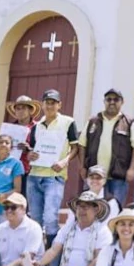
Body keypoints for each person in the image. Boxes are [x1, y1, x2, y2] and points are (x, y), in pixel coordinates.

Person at [25, 192, 109, 266]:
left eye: (86, 206)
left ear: (96, 210)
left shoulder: (102, 231)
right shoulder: (68, 227)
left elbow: (98, 259)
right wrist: (39, 263)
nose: (82, 210)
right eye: (80, 206)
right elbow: (54, 250)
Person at [26, 89, 83, 244]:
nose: (50, 106)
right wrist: (30, 155)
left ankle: (52, 262)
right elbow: (32, 150)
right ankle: (36, 260)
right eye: (47, 102)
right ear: (42, 105)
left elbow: (75, 147)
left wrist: (65, 161)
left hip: (54, 176)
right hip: (34, 176)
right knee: (35, 220)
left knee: (50, 219)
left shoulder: (68, 122)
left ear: (59, 105)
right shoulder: (36, 127)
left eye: (53, 103)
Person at [83, 89, 134, 207]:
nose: (112, 102)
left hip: (118, 176)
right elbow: (82, 144)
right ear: (104, 101)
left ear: (122, 102)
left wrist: (131, 169)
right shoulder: (93, 121)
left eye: (116, 99)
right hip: (95, 177)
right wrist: (82, 167)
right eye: (108, 99)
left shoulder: (129, 122)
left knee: (115, 209)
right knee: (93, 208)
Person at [6, 95, 41, 175]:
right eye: (18, 109)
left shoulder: (38, 128)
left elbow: (42, 149)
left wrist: (28, 149)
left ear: (30, 110)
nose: (20, 111)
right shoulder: (8, 129)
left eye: (24, 108)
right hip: (9, 169)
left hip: (29, 171)